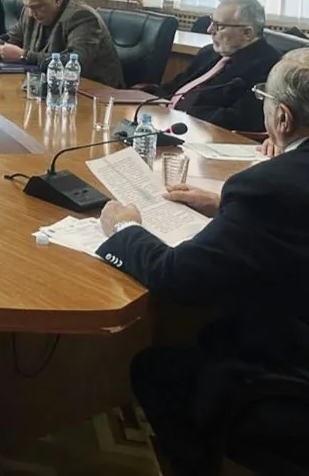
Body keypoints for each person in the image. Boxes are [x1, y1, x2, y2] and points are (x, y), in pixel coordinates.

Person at [97, 50, 309, 476]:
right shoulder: (274, 191)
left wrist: (124, 228)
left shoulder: (269, 188)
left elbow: (177, 278)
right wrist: (225, 207)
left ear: (282, 118)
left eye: (263, 97)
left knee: (156, 370)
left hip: (289, 381)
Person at [141, 0, 282, 132]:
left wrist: (183, 111)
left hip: (206, 135)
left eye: (218, 26)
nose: (209, 30)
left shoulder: (269, 66)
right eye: (211, 22)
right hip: (168, 122)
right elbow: (175, 86)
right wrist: (145, 98)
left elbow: (240, 119)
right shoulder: (209, 53)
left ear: (247, 33)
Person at [0, 0, 124, 87]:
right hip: (48, 85)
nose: (31, 13)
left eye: (36, 7)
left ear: (57, 0)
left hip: (93, 93)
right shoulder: (31, 11)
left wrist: (25, 55)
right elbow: (13, 38)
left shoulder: (82, 16)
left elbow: (75, 62)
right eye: (27, 7)